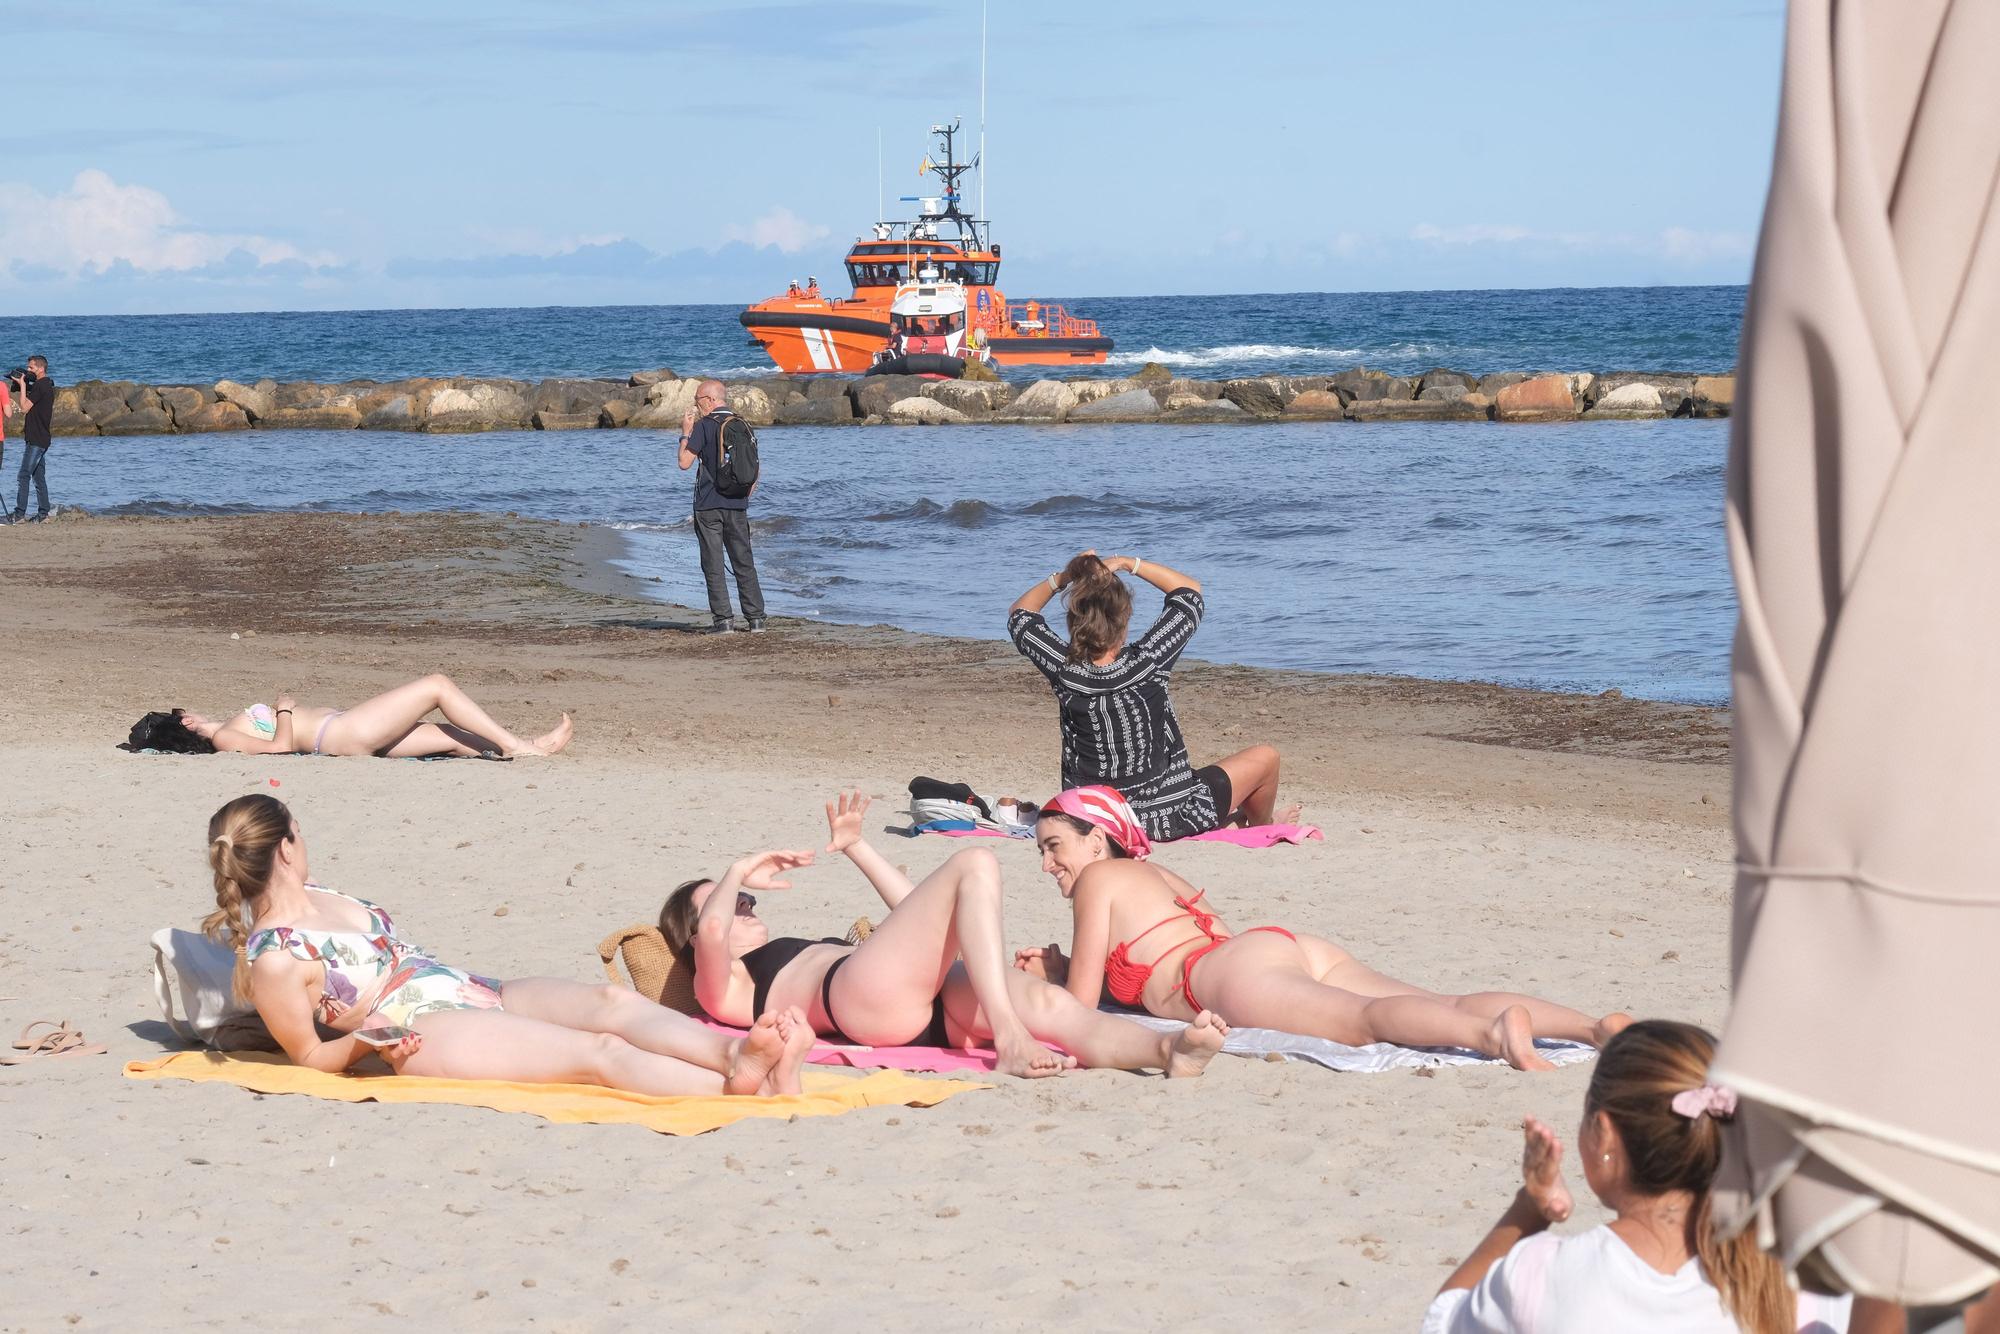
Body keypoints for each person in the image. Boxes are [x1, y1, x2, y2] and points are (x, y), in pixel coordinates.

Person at [203, 794, 816, 1097]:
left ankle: (732, 1057)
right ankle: (750, 1088)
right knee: (597, 1052)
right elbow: (309, 1058)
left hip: (467, 987)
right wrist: (362, 1041)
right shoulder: (274, 959)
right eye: (300, 834)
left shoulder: (327, 894)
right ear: (285, 847)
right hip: (424, 1031)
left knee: (610, 1003)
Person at [1017, 787, 1628, 1071]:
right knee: (1426, 1000)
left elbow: (1080, 1008)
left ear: (1097, 840)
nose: (1048, 864)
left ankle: (1496, 1036)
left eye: (1054, 847)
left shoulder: (1098, 882)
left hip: (1224, 976)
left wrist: (1058, 972)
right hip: (1271, 947)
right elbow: (1215, 929)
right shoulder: (1154, 873)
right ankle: (1590, 1027)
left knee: (1364, 1025)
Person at [655, 790, 1230, 1081]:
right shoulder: (722, 984)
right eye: (734, 907)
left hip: (912, 1002)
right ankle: (1007, 1036)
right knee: (976, 861)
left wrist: (856, 847)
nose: (742, 910)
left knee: (1057, 1009)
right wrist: (736, 870)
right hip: (854, 998)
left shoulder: (776, 952)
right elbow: (710, 925)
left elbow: (923, 914)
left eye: (744, 901)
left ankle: (1167, 1052)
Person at [1424, 1020, 1853, 1333]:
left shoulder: (1542, 1276)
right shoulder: (1803, 1282)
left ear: (1605, 1135)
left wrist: (1527, 1211)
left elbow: (1443, 1319)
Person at [1009, 550, 1291, 842]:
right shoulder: (1149, 662)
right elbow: (1190, 592)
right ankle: (1263, 825)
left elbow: (1021, 614)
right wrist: (1129, 564)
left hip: (1095, 817)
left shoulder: (1065, 670)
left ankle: (1245, 821)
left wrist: (1066, 577)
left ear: (1073, 621)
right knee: (1266, 758)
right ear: (1125, 617)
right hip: (1167, 815)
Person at [153, 672, 573, 758]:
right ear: (186, 722)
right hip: (343, 732)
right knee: (437, 686)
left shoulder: (228, 730)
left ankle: (516, 750)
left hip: (347, 734)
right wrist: (282, 709)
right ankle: (516, 743)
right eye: (184, 712)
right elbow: (280, 747)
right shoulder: (224, 737)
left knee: (446, 736)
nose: (190, 711)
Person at [677, 379, 766, 634]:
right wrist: (745, 492)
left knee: (713, 563)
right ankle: (756, 619)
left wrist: (685, 432)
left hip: (709, 505)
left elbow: (684, 462)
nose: (697, 405)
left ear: (709, 401)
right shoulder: (742, 425)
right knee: (743, 561)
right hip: (738, 503)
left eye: (698, 400)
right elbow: (755, 466)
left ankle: (723, 621)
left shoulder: (704, 426)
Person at [7, 356, 54, 524]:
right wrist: (25, 387)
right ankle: (44, 515)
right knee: (38, 477)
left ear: (40, 369)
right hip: (41, 438)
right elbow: (33, 403)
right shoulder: (46, 384)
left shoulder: (41, 385)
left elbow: (24, 408)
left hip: (36, 439)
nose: (28, 371)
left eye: (31, 368)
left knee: (23, 475)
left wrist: (22, 385)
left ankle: (19, 515)